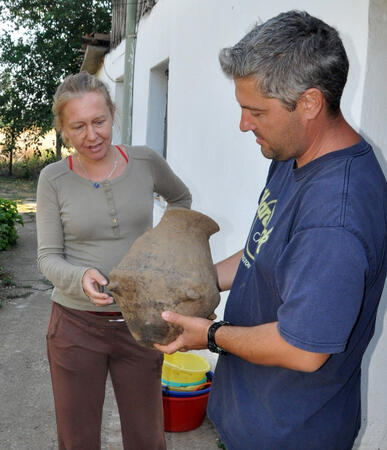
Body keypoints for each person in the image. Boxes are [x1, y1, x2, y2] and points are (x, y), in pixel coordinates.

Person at [154, 10, 387, 450]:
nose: (244, 124)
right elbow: (262, 249)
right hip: (251, 413)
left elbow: (302, 349)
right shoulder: (291, 155)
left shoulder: (335, 216)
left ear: (310, 103)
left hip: (290, 433)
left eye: (255, 110)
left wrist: (208, 334)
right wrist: (188, 279)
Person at [36, 72, 192, 450]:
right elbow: (47, 258)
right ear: (63, 129)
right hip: (75, 326)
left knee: (146, 437)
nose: (92, 135)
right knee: (78, 440)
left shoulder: (145, 162)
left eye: (99, 121)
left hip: (140, 324)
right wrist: (80, 275)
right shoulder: (53, 179)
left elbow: (181, 200)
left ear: (112, 114)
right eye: (79, 126)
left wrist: (163, 256)